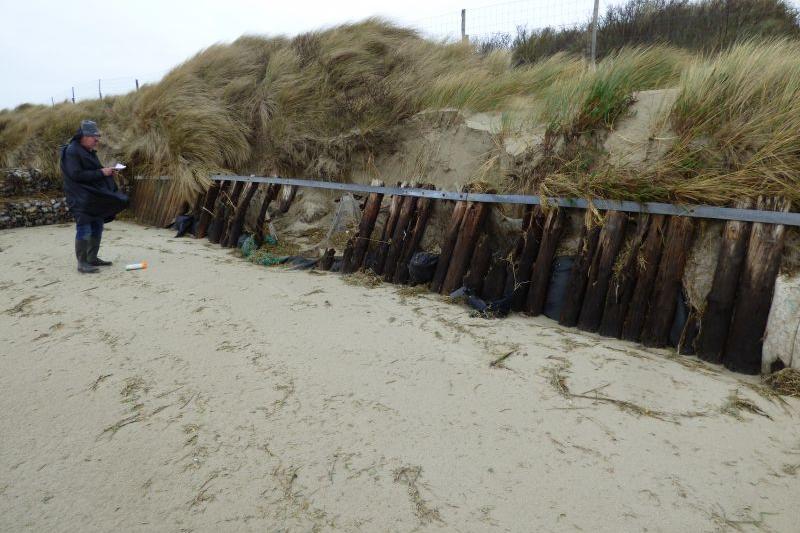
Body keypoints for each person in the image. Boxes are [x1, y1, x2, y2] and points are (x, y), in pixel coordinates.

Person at [60, 120, 129, 273]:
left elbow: (94, 171)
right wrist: (101, 172)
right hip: (79, 198)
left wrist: (106, 170)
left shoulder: (88, 151)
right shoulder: (72, 151)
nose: (97, 140)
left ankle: (92, 258)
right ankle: (82, 263)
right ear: (83, 136)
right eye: (94, 137)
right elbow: (76, 174)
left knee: (97, 225)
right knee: (84, 228)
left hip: (92, 196)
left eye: (97, 137)